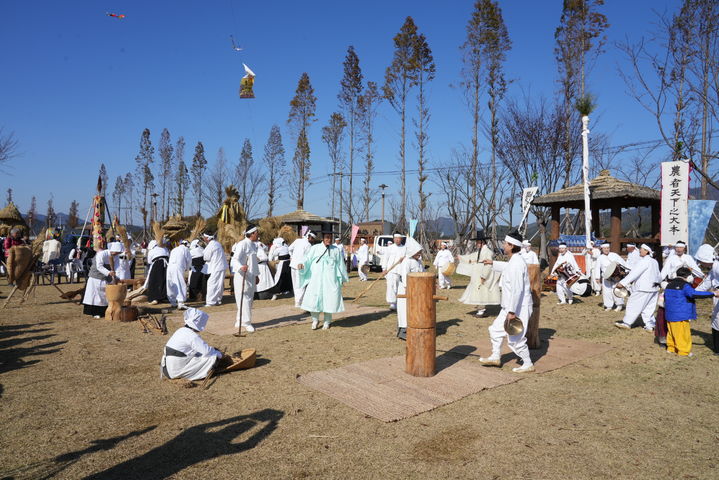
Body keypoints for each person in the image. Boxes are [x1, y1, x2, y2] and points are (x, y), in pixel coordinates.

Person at [479, 231, 535, 373]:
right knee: (495, 330)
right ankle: (495, 356)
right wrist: (493, 263)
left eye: (505, 243)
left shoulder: (517, 264)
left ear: (511, 246)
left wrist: (511, 312)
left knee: (515, 338)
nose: (503, 245)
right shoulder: (514, 261)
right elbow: (508, 268)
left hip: (517, 307)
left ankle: (528, 363)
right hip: (509, 307)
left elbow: (517, 290)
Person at [299, 231, 348, 330]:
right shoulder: (315, 248)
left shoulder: (336, 250)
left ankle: (327, 321)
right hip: (317, 278)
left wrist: (341, 278)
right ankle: (315, 320)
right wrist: (302, 264)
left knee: (329, 299)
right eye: (326, 237)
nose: (328, 239)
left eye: (330, 238)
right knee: (314, 298)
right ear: (322, 238)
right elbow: (307, 259)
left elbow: (340, 264)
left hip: (330, 279)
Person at [662, 267, 717, 357]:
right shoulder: (685, 286)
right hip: (681, 315)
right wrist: (712, 293)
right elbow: (694, 294)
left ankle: (671, 348)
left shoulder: (669, 285)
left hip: (669, 314)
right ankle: (683, 351)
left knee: (671, 332)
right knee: (683, 334)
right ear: (687, 277)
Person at [160, 308, 224, 381]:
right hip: (175, 371)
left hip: (167, 368)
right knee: (212, 357)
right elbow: (206, 351)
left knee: (200, 354)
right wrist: (219, 354)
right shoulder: (192, 335)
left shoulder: (181, 330)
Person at [614, 244, 661, 330]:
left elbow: (635, 273)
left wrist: (622, 283)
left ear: (647, 251)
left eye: (642, 249)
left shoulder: (644, 261)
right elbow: (659, 275)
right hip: (654, 288)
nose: (640, 250)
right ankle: (650, 325)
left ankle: (627, 323)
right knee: (648, 308)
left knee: (633, 304)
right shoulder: (654, 261)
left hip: (643, 288)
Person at [459, 232, 500, 317]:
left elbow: (488, 265)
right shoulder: (479, 251)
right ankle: (479, 308)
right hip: (477, 274)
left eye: (478, 242)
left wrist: (484, 276)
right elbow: (471, 257)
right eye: (476, 242)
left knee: (482, 291)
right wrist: (461, 257)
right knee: (478, 291)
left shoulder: (487, 252)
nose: (477, 244)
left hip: (482, 274)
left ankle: (481, 310)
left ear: (482, 242)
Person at [231, 225, 259, 333]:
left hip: (251, 275)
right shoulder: (242, 244)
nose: (258, 234)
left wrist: (256, 275)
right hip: (242, 276)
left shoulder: (254, 245)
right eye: (257, 232)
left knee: (249, 299)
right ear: (252, 234)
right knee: (244, 299)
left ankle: (240, 320)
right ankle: (247, 323)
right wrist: (240, 267)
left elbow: (254, 262)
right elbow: (235, 259)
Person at [82, 241, 122, 318]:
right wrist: (109, 272)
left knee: (103, 295)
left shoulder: (116, 256)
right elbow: (99, 266)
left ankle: (103, 311)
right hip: (96, 276)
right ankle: (94, 312)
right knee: (95, 295)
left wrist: (116, 277)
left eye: (117, 253)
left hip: (106, 278)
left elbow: (117, 267)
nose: (116, 254)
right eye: (115, 252)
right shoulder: (102, 254)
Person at [396, 237, 424, 340]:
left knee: (414, 310)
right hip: (406, 288)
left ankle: (413, 328)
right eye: (418, 252)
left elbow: (423, 272)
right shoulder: (407, 261)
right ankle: (402, 331)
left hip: (417, 289)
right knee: (404, 310)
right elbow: (404, 276)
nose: (419, 254)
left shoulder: (419, 261)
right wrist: (407, 289)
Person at [695, 244, 719, 354]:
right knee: (715, 320)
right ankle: (717, 348)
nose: (701, 264)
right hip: (716, 297)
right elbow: (707, 283)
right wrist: (694, 293)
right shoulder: (713, 268)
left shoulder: (717, 266)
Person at [594, 242, 628, 311]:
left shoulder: (614, 255)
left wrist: (623, 270)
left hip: (616, 276)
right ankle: (608, 305)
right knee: (607, 292)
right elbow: (597, 268)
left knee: (617, 290)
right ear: (602, 249)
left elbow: (622, 262)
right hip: (606, 277)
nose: (606, 250)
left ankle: (619, 305)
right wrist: (597, 277)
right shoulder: (600, 258)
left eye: (607, 248)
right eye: (605, 248)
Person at [289, 231, 316, 307]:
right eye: (312, 238)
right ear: (309, 237)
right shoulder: (308, 245)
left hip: (293, 265)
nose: (313, 240)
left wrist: (291, 257)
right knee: (301, 284)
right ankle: (298, 302)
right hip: (300, 266)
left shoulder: (297, 240)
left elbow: (289, 248)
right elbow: (308, 258)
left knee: (295, 284)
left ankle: (297, 301)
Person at [203, 231, 228, 307]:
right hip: (221, 266)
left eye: (204, 237)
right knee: (219, 284)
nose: (203, 239)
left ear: (207, 238)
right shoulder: (217, 244)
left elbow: (206, 257)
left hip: (216, 267)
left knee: (212, 283)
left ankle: (211, 302)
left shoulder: (210, 246)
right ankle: (217, 300)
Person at [382, 232, 406, 311]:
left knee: (400, 287)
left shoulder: (404, 248)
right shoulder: (390, 248)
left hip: (401, 270)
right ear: (393, 239)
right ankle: (392, 303)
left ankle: (399, 302)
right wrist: (384, 268)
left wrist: (404, 258)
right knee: (391, 286)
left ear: (401, 239)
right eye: (395, 238)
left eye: (398, 238)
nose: (397, 240)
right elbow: (385, 258)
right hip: (391, 270)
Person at [167, 239, 192, 310]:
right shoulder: (186, 250)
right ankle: (181, 303)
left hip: (170, 268)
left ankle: (173, 302)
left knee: (171, 284)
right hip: (178, 268)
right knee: (180, 283)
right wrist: (187, 268)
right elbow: (189, 260)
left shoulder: (174, 249)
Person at [144, 239, 170, 305]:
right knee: (165, 281)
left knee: (154, 281)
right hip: (167, 264)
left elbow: (149, 261)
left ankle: (154, 298)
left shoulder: (152, 251)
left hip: (157, 264)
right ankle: (164, 297)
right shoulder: (165, 248)